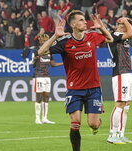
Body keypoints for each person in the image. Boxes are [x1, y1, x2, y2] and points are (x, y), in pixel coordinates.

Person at [37, 10, 113, 151]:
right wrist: (55, 35)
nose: (85, 22)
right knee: (75, 123)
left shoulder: (92, 36)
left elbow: (110, 39)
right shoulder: (65, 42)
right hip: (75, 89)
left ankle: (97, 124)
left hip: (94, 88)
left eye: (85, 20)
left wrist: (102, 27)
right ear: (73, 24)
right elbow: (41, 52)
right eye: (81, 20)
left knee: (93, 124)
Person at [107, 17, 132, 144]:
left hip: (127, 72)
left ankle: (121, 134)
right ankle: (112, 135)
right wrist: (127, 22)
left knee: (126, 105)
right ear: (117, 26)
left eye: (124, 25)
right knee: (120, 104)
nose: (123, 27)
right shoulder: (114, 34)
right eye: (121, 25)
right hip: (120, 72)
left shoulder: (124, 36)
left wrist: (131, 21)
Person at [33, 33, 63, 124]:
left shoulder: (50, 51)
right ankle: (37, 118)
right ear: (41, 41)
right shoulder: (37, 51)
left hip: (46, 76)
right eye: (44, 40)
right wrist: (35, 59)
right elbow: (32, 64)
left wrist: (63, 63)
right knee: (39, 97)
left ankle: (45, 118)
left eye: (47, 40)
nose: (46, 42)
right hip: (38, 76)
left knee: (46, 97)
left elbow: (53, 64)